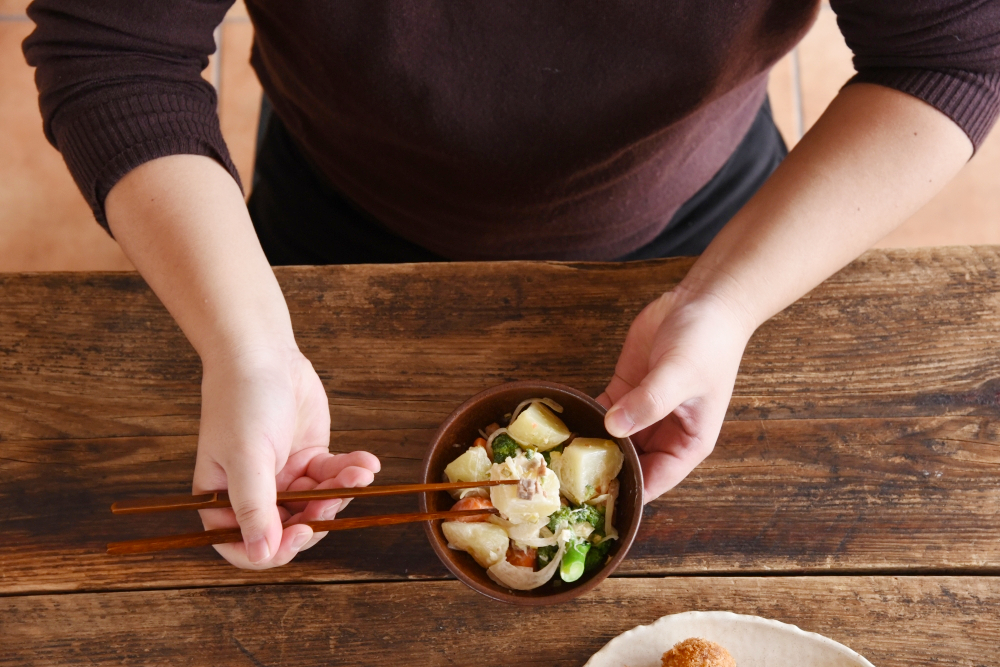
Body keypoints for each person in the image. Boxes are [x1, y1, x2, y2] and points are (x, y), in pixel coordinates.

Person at [23, 1, 1000, 570]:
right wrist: (248, 343)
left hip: (715, 229)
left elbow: (951, 47)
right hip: (324, 214)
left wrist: (726, 303)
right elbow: (115, 46)